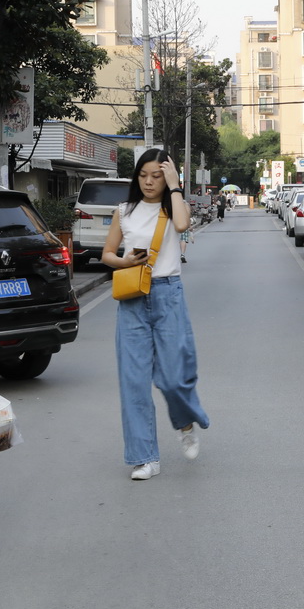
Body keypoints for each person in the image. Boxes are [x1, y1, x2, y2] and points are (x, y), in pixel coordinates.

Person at [102, 148, 209, 481]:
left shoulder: (174, 205)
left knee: (174, 376)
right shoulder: (124, 211)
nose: (148, 182)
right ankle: (144, 458)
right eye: (143, 175)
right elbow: (107, 254)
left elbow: (182, 224)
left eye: (157, 175)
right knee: (133, 382)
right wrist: (125, 262)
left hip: (168, 295)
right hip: (133, 298)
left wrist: (176, 186)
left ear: (167, 177)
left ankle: (185, 423)